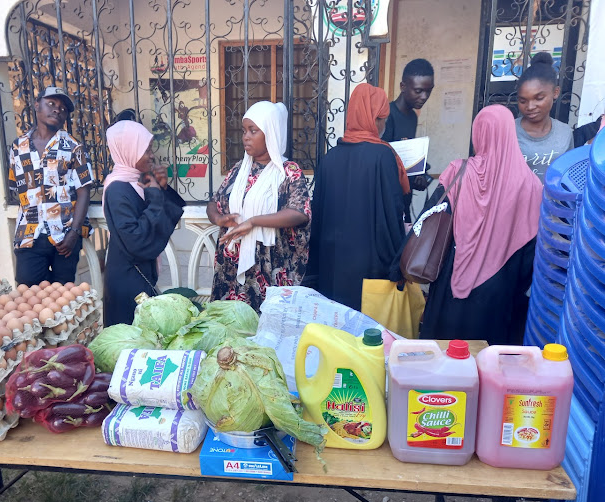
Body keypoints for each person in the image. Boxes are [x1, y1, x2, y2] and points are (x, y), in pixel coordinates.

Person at [420, 104, 542, 345]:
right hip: (499, 293)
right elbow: (532, 252)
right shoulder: (531, 186)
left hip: (450, 285)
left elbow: (429, 219)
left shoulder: (459, 171)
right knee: (486, 366)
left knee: (444, 359)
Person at [306, 83, 408, 312]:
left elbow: (318, 216)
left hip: (331, 264)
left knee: (337, 331)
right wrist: (398, 265)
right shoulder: (383, 155)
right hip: (370, 267)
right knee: (366, 336)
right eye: (383, 118)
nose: (384, 124)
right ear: (375, 119)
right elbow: (392, 213)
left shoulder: (330, 157)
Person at [207, 101, 310, 312]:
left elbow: (299, 213)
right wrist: (218, 218)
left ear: (270, 132)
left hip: (268, 264)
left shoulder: (288, 172)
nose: (246, 136)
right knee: (231, 325)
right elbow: (214, 202)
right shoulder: (239, 170)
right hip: (232, 265)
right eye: (244, 130)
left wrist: (253, 222)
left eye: (253, 131)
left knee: (266, 329)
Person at [102, 120, 186, 325]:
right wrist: (156, 197)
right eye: (145, 149)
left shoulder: (135, 182)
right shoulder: (117, 189)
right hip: (127, 281)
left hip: (138, 274)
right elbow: (136, 240)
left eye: (150, 149)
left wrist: (162, 189)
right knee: (129, 340)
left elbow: (156, 218)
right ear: (128, 150)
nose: (151, 155)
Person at [8, 86, 93, 286]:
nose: (57, 110)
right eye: (51, 104)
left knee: (63, 297)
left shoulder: (74, 147)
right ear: (37, 105)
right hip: (29, 234)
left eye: (63, 109)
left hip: (64, 237)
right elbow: (17, 187)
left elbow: (84, 192)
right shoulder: (18, 147)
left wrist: (74, 233)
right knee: (28, 294)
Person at [382, 58, 435, 222]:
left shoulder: (412, 116)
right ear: (403, 87)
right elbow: (384, 161)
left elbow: (405, 159)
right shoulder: (387, 116)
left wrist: (418, 174)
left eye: (428, 91)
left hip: (404, 197)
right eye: (418, 91)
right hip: (387, 201)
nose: (424, 96)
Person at [515, 52, 574, 180]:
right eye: (523, 101)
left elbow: (569, 173)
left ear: (555, 92)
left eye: (539, 98)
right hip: (515, 200)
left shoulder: (565, 132)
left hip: (553, 200)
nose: (530, 107)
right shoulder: (509, 131)